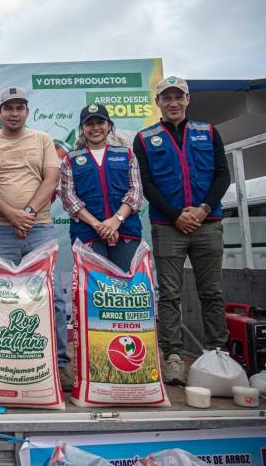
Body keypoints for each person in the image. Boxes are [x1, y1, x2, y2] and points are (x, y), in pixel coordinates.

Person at [133, 76, 230, 385]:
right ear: (158, 103)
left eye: (178, 97)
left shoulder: (208, 132)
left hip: (207, 222)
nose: (173, 103)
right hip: (168, 226)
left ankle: (219, 353)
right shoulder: (145, 138)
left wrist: (202, 210)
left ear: (187, 99)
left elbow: (222, 176)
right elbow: (146, 184)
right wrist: (177, 215)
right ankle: (173, 356)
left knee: (212, 292)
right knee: (170, 295)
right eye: (166, 98)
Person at [0, 87, 69, 388]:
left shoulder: (43, 139)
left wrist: (27, 212)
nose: (14, 113)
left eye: (19, 108)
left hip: (39, 227)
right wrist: (12, 215)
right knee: (0, 299)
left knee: (51, 297)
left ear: (27, 111)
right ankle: (3, 363)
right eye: (8, 108)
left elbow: (51, 179)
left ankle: (58, 363)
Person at [60, 103, 143, 271]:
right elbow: (69, 198)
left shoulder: (126, 154)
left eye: (100, 122)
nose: (95, 128)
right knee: (94, 290)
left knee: (125, 290)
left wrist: (116, 220)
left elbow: (135, 192)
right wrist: (100, 226)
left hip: (125, 232)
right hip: (88, 234)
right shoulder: (70, 159)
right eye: (90, 124)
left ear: (109, 126)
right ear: (82, 129)